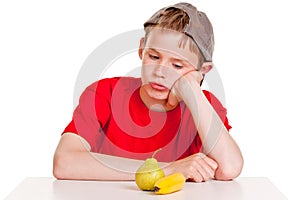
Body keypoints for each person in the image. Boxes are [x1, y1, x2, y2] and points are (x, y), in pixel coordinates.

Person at [53, 2, 243, 182]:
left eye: (177, 65)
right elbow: (64, 162)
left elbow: (229, 168)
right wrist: (166, 169)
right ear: (141, 49)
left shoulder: (206, 106)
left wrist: (193, 88)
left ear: (202, 70)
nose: (160, 72)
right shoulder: (105, 93)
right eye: (153, 56)